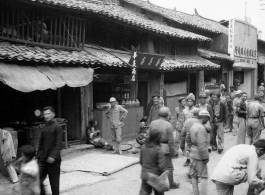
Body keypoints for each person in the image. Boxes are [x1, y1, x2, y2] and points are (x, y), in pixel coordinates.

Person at [149, 107, 179, 189]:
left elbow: (149, 137)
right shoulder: (168, 125)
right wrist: (173, 152)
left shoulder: (152, 123)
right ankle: (171, 184)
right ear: (168, 115)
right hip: (164, 148)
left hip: (154, 147)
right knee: (169, 167)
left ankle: (154, 182)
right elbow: (171, 141)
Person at [37, 106, 63, 195]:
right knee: (37, 179)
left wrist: (53, 156)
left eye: (48, 113)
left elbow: (59, 144)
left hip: (53, 160)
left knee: (54, 184)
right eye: (45, 114)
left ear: (53, 114)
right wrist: (38, 156)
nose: (46, 116)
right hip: (43, 159)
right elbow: (41, 143)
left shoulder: (58, 127)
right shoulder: (43, 127)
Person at [188, 110, 211, 195]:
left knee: (194, 175)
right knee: (203, 176)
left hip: (193, 154)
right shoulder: (201, 128)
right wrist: (205, 157)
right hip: (199, 156)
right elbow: (202, 146)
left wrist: (190, 149)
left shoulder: (194, 126)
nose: (207, 120)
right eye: (207, 118)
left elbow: (188, 138)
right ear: (204, 118)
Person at [139, 129, 168, 195]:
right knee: (159, 193)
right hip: (155, 177)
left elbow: (141, 161)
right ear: (158, 138)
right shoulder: (158, 149)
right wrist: (164, 174)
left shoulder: (143, 147)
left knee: (144, 192)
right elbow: (162, 166)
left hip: (145, 175)